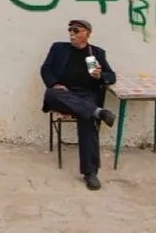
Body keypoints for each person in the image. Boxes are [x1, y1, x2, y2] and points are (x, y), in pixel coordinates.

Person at [40, 19, 117, 190]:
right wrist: (54, 83)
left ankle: (91, 173)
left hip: (85, 96)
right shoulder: (59, 48)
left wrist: (100, 76)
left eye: (76, 31)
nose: (71, 34)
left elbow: (111, 76)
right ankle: (98, 112)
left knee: (87, 118)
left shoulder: (96, 53)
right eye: (70, 31)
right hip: (62, 94)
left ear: (86, 34)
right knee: (51, 93)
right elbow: (46, 68)